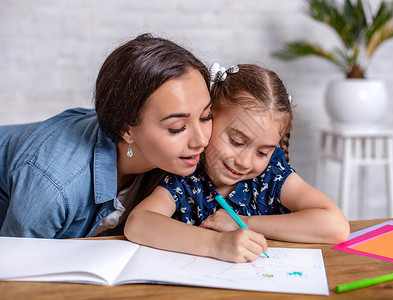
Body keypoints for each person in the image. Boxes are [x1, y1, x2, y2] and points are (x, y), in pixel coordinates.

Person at [124, 63, 350, 263]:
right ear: (208, 118)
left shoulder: (271, 173)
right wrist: (217, 244)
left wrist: (243, 222)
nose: (244, 162)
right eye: (236, 141)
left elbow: (336, 227)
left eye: (262, 152)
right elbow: (139, 223)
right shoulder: (188, 172)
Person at [0, 33, 213, 238]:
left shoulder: (182, 158)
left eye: (206, 116)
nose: (202, 140)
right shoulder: (54, 187)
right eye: (177, 128)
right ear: (126, 129)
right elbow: (15, 269)